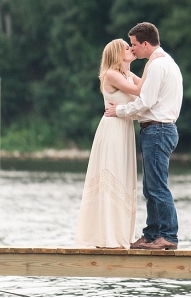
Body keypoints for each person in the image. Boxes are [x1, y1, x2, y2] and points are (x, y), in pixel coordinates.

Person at [75, 39, 161, 249]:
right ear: (116, 53)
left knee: (123, 179)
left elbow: (145, 86)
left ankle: (120, 235)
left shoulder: (127, 75)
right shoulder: (111, 74)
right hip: (112, 130)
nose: (131, 49)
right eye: (126, 47)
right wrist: (152, 61)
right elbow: (140, 91)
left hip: (125, 130)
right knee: (111, 176)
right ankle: (106, 236)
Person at [105, 22, 183, 250]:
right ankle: (151, 234)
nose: (133, 49)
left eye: (134, 44)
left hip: (158, 129)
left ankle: (168, 236)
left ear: (145, 44)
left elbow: (145, 101)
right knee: (151, 186)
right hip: (159, 129)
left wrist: (118, 111)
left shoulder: (158, 66)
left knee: (157, 186)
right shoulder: (167, 63)